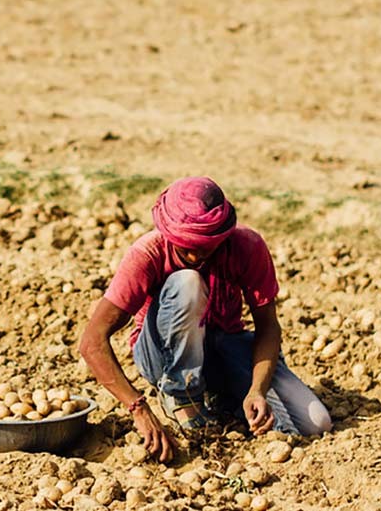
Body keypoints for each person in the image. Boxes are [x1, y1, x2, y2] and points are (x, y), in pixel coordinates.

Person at [78, 176, 331, 462]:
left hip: (222, 348)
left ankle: (223, 397)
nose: (194, 253)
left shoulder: (246, 247)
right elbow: (92, 342)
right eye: (184, 245)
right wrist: (138, 408)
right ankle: (180, 395)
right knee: (187, 282)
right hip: (162, 357)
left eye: (205, 245)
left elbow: (268, 326)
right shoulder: (147, 254)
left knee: (315, 423)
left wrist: (256, 390)